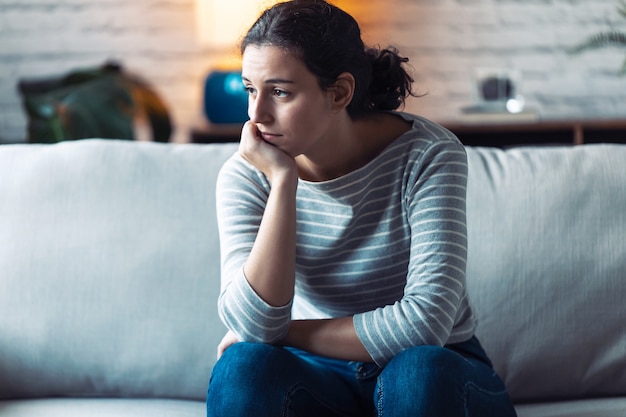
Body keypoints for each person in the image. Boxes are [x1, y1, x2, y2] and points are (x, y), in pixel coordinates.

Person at [207, 1, 517, 416]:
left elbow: (425, 324)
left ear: (339, 92)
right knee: (241, 368)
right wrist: (283, 183)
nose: (256, 115)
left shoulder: (428, 155)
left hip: (436, 370)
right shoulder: (248, 174)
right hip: (319, 376)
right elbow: (253, 326)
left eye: (279, 92)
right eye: (250, 89)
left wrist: (285, 333)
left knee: (417, 372)